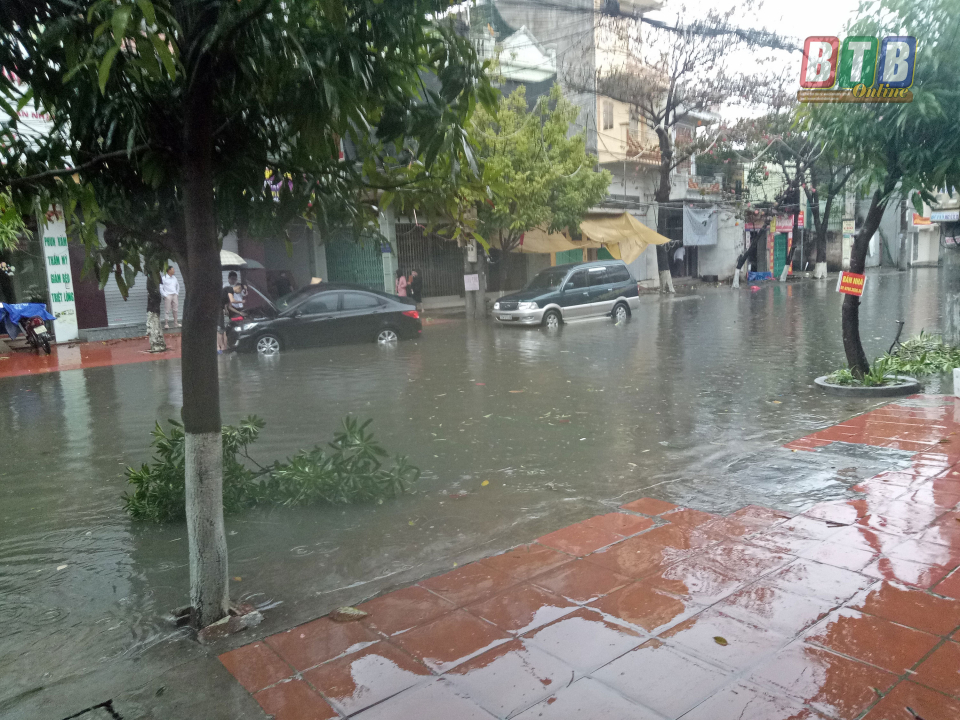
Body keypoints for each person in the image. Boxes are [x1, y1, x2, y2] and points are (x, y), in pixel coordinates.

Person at [218, 271, 239, 353]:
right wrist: (226, 309)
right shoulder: (225, 287)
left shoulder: (236, 287)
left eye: (235, 279)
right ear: (229, 278)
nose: (234, 280)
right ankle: (222, 347)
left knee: (230, 326)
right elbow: (225, 301)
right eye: (232, 279)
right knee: (222, 328)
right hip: (225, 310)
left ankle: (227, 345)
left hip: (232, 309)